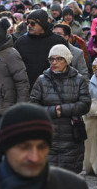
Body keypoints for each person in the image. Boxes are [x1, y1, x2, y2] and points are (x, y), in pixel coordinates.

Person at [29, 44, 92, 173]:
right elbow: (33, 107)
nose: (54, 62)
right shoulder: (42, 80)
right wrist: (54, 111)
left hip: (71, 136)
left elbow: (85, 104)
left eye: (59, 59)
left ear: (67, 60)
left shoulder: (78, 80)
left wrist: (62, 110)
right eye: (52, 59)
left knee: (69, 175)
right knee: (48, 175)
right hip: (48, 135)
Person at [15, 9, 68, 86]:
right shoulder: (20, 42)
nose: (29, 26)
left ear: (42, 24)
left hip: (54, 87)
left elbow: (67, 68)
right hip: (27, 88)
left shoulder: (58, 42)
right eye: (27, 23)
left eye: (32, 23)